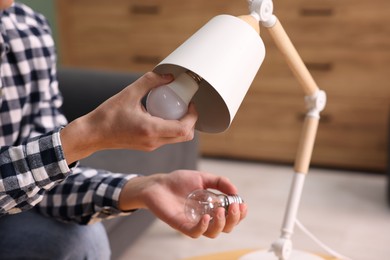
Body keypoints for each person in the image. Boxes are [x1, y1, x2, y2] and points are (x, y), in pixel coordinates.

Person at [0, 1, 247, 259]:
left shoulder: (28, 29)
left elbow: (42, 178)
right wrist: (89, 135)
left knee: (83, 240)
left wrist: (145, 188)